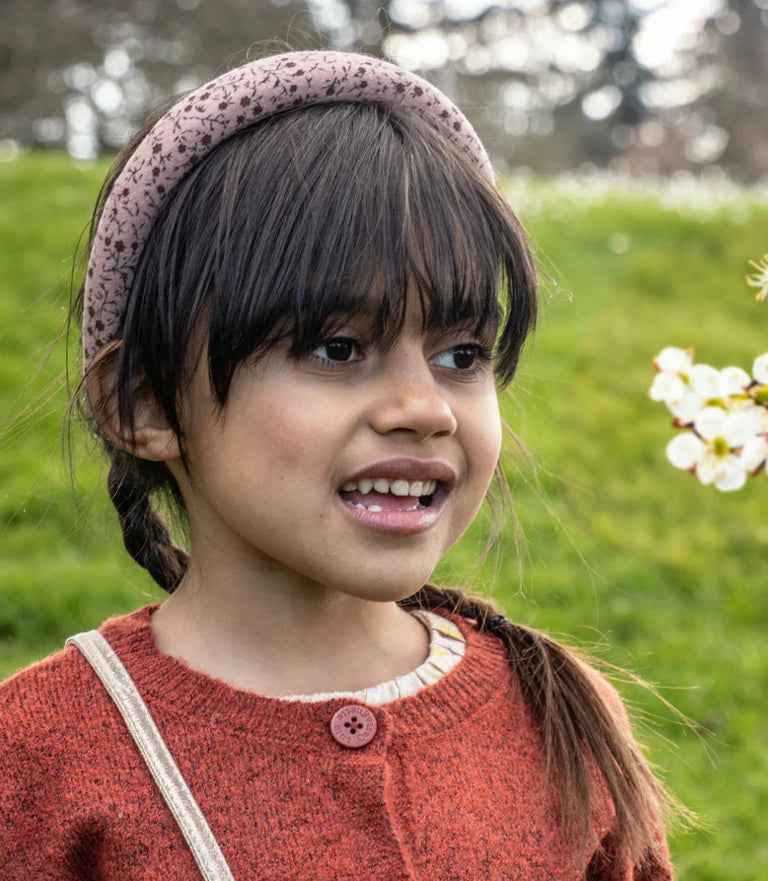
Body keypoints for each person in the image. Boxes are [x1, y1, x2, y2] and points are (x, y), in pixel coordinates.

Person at [0, 50, 674, 879]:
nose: (424, 407)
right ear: (144, 403)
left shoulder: (556, 717)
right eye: (338, 346)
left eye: (461, 353)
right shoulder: (38, 757)